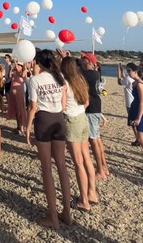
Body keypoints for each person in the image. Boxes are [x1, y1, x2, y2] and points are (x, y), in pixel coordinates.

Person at [26, 49, 72, 229]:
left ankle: (53, 216)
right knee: (61, 165)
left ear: (39, 62)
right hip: (59, 118)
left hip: (44, 119)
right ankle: (67, 212)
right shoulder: (60, 77)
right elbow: (63, 103)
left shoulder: (34, 80)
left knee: (46, 167)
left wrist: (28, 127)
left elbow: (33, 106)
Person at [60, 57, 98, 212]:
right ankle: (92, 193)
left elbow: (61, 107)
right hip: (82, 118)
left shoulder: (65, 83)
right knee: (86, 158)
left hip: (72, 120)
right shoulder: (80, 79)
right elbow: (86, 102)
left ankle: (84, 200)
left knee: (78, 163)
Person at [80, 52, 109, 179]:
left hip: (91, 109)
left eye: (84, 61)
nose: (81, 62)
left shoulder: (90, 75)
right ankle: (104, 167)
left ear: (91, 63)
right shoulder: (95, 73)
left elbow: (74, 74)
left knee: (93, 139)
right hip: (95, 108)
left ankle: (100, 170)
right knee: (96, 139)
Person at [117, 63, 138, 145]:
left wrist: (118, 73)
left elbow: (120, 82)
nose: (128, 72)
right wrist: (122, 72)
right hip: (134, 101)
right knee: (136, 121)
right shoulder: (133, 78)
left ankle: (138, 138)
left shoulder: (129, 79)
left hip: (130, 103)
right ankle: (139, 137)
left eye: (128, 70)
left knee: (133, 122)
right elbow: (125, 78)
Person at [7, 60, 27, 135]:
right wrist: (11, 69)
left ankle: (22, 128)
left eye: (19, 65)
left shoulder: (22, 72)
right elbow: (9, 76)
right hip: (13, 94)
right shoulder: (15, 73)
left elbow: (23, 74)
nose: (16, 66)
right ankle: (18, 126)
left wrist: (21, 66)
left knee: (20, 110)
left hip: (19, 94)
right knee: (16, 110)